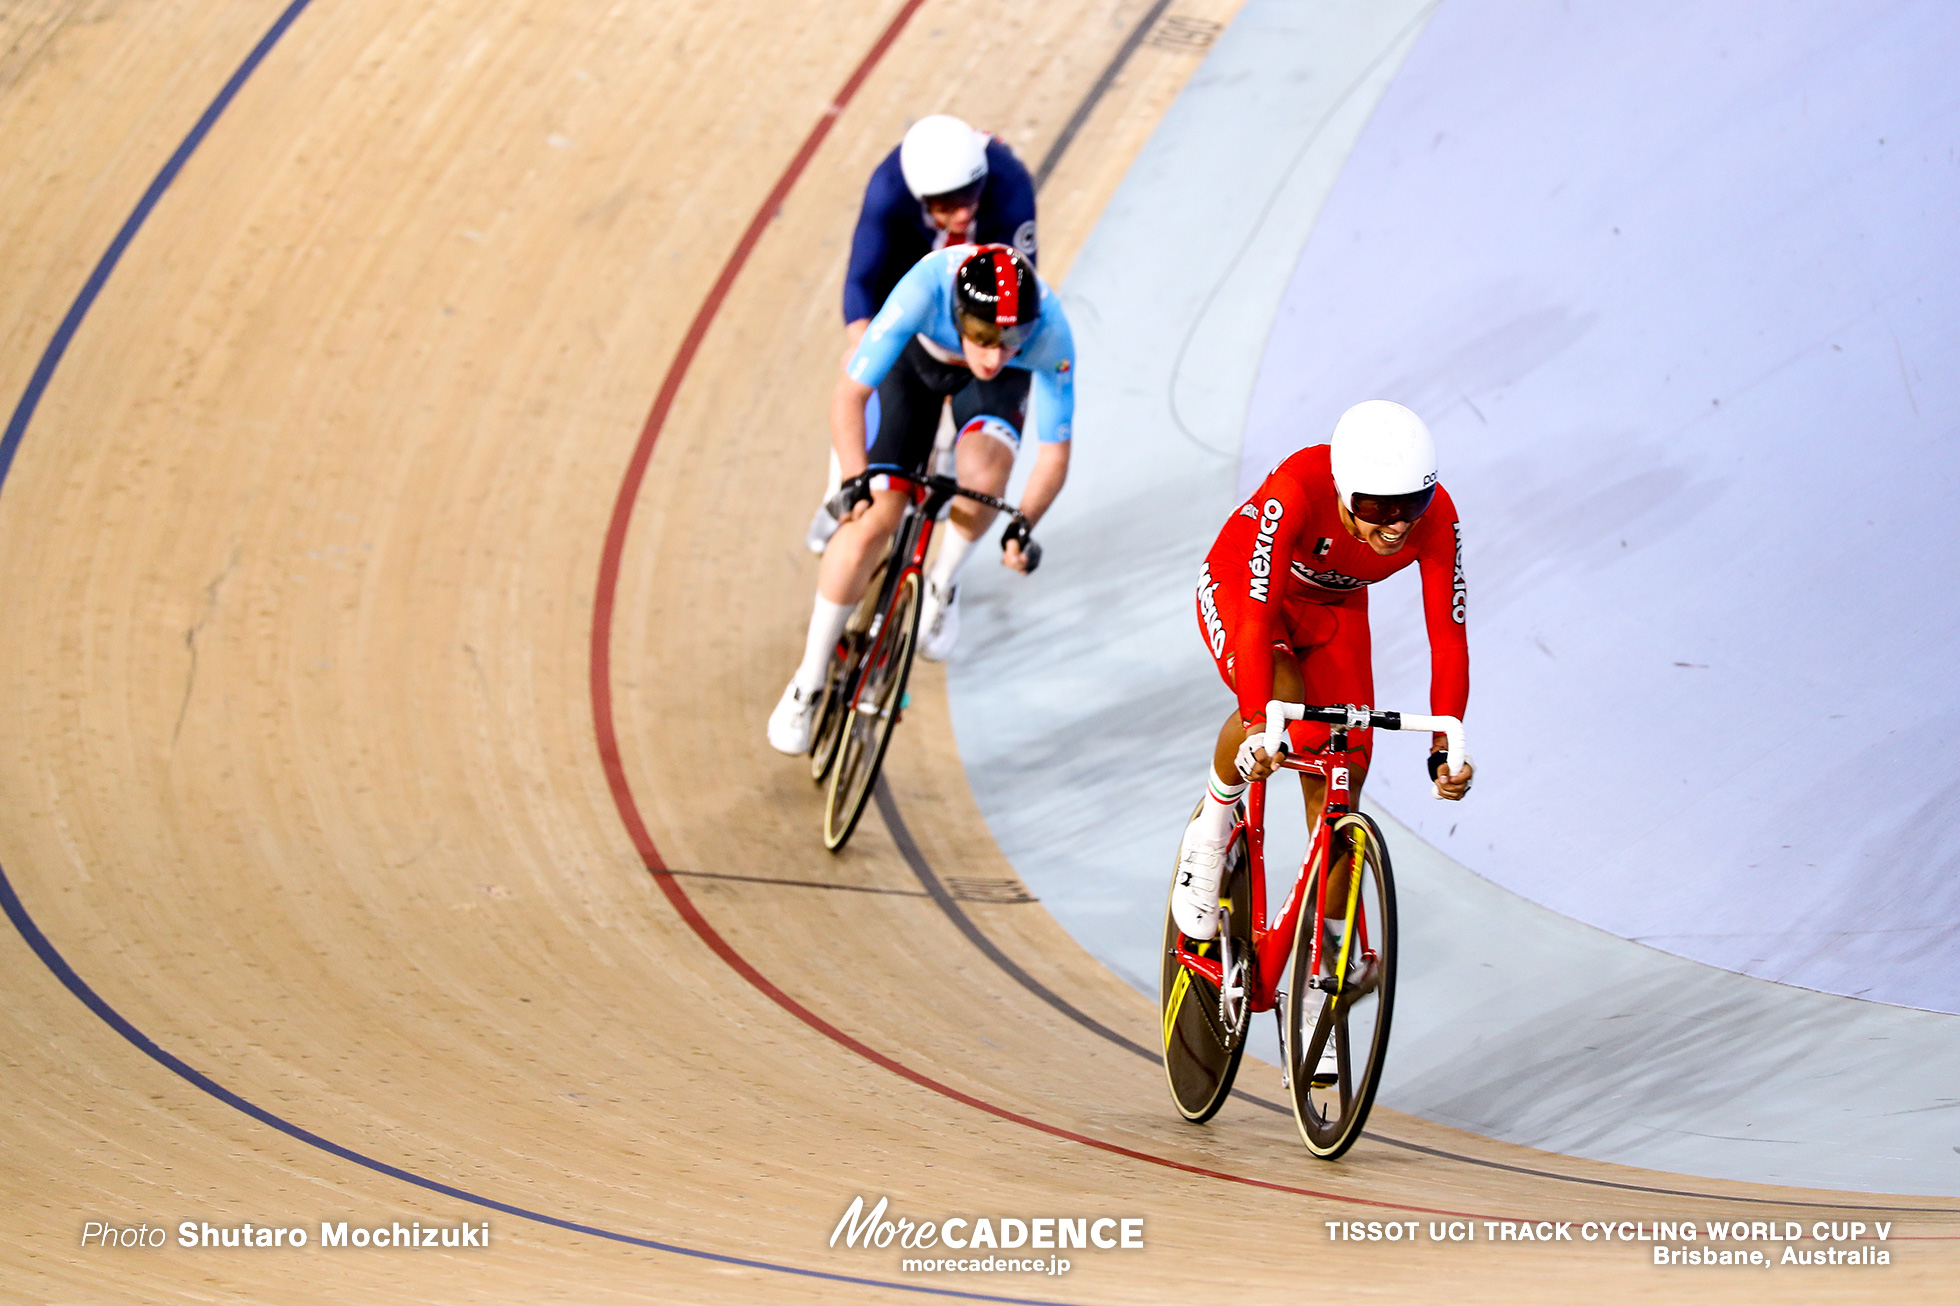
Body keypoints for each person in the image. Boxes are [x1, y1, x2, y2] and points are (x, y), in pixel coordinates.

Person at [1173, 400, 1475, 944]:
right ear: (1343, 490)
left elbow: (1448, 641)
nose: (1397, 524)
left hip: (1334, 609)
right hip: (1247, 583)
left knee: (1342, 781)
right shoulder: (1296, 491)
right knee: (1279, 699)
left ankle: (1330, 959)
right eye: (1379, 508)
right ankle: (1210, 834)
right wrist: (1255, 723)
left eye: (1412, 503)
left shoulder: (1438, 520)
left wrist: (1443, 748)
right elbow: (1259, 617)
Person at [768, 244, 1073, 753]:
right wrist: (854, 479)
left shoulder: (1048, 329)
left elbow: (1055, 453)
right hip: (915, 364)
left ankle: (942, 584)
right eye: (982, 336)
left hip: (988, 397)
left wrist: (1025, 524)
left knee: (982, 480)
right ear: (958, 313)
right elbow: (850, 395)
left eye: (1011, 338)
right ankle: (809, 678)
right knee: (872, 520)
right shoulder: (923, 289)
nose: (995, 354)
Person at [805, 114, 1039, 555]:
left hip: (980, 282)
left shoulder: (1008, 185)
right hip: (911, 277)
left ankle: (945, 587)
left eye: (971, 196)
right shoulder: (890, 187)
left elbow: (1019, 285)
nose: (964, 211)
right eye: (948, 204)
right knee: (863, 373)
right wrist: (864, 343)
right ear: (920, 197)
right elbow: (861, 282)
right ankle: (838, 488)